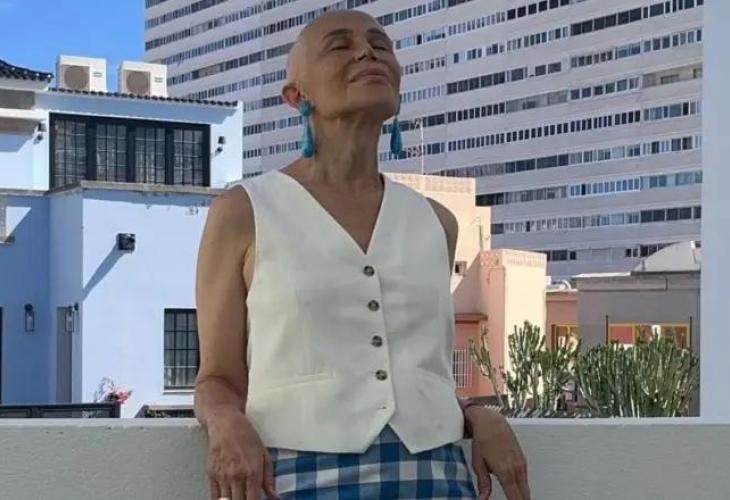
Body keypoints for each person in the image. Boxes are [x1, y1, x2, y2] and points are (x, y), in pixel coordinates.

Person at [194, 9, 530, 500]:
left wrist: (479, 414)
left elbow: (413, 370)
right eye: (340, 45)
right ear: (296, 95)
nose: (367, 52)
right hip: (294, 478)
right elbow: (217, 378)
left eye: (380, 44)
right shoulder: (244, 210)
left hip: (435, 476)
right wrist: (225, 422)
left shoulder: (437, 221)